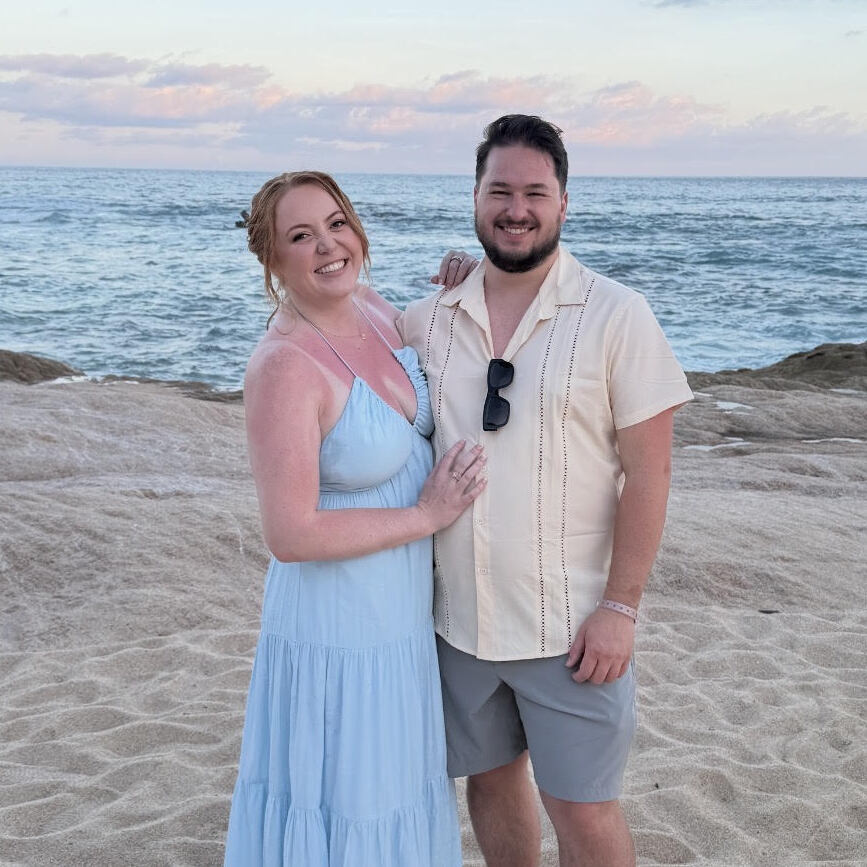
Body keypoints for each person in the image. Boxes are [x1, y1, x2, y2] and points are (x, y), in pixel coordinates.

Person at [399, 115, 695, 867]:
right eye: (499, 190)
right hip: (455, 620)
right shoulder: (428, 320)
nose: (515, 207)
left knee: (583, 809)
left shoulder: (615, 314)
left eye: (535, 191)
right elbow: (340, 337)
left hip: (569, 628)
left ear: (564, 202)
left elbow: (650, 471)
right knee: (492, 783)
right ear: (474, 197)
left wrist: (620, 608)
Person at [223, 170, 485, 866]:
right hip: (335, 626)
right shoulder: (282, 366)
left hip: (398, 619)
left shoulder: (371, 306)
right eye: (300, 236)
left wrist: (459, 290)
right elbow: (290, 532)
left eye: (336, 223)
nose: (327, 245)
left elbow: (444, 356)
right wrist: (425, 515)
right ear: (272, 259)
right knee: (348, 801)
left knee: (396, 787)